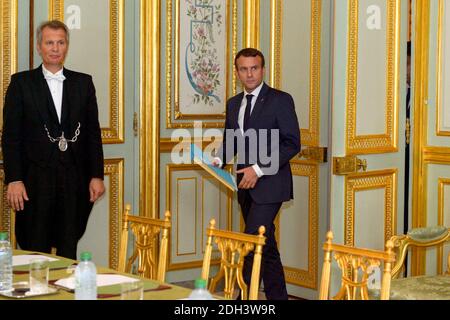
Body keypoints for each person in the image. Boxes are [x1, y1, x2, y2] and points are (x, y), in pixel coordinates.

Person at [1, 20, 105, 260]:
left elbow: (92, 134)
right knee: (34, 247)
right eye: (49, 43)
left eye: (60, 42)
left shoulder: (84, 83)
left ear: (67, 46)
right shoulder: (20, 84)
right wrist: (14, 179)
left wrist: (97, 175)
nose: (55, 48)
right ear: (39, 46)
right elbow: (11, 137)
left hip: (73, 180)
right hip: (34, 181)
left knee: (69, 245)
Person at [213, 48, 301, 300]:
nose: (250, 74)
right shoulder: (233, 103)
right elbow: (232, 139)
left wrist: (259, 169)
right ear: (237, 72)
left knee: (251, 243)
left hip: (271, 183)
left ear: (263, 70)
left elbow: (291, 143)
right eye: (244, 69)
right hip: (244, 185)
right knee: (266, 245)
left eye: (254, 68)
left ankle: (243, 298)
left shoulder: (280, 99)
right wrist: (219, 159)